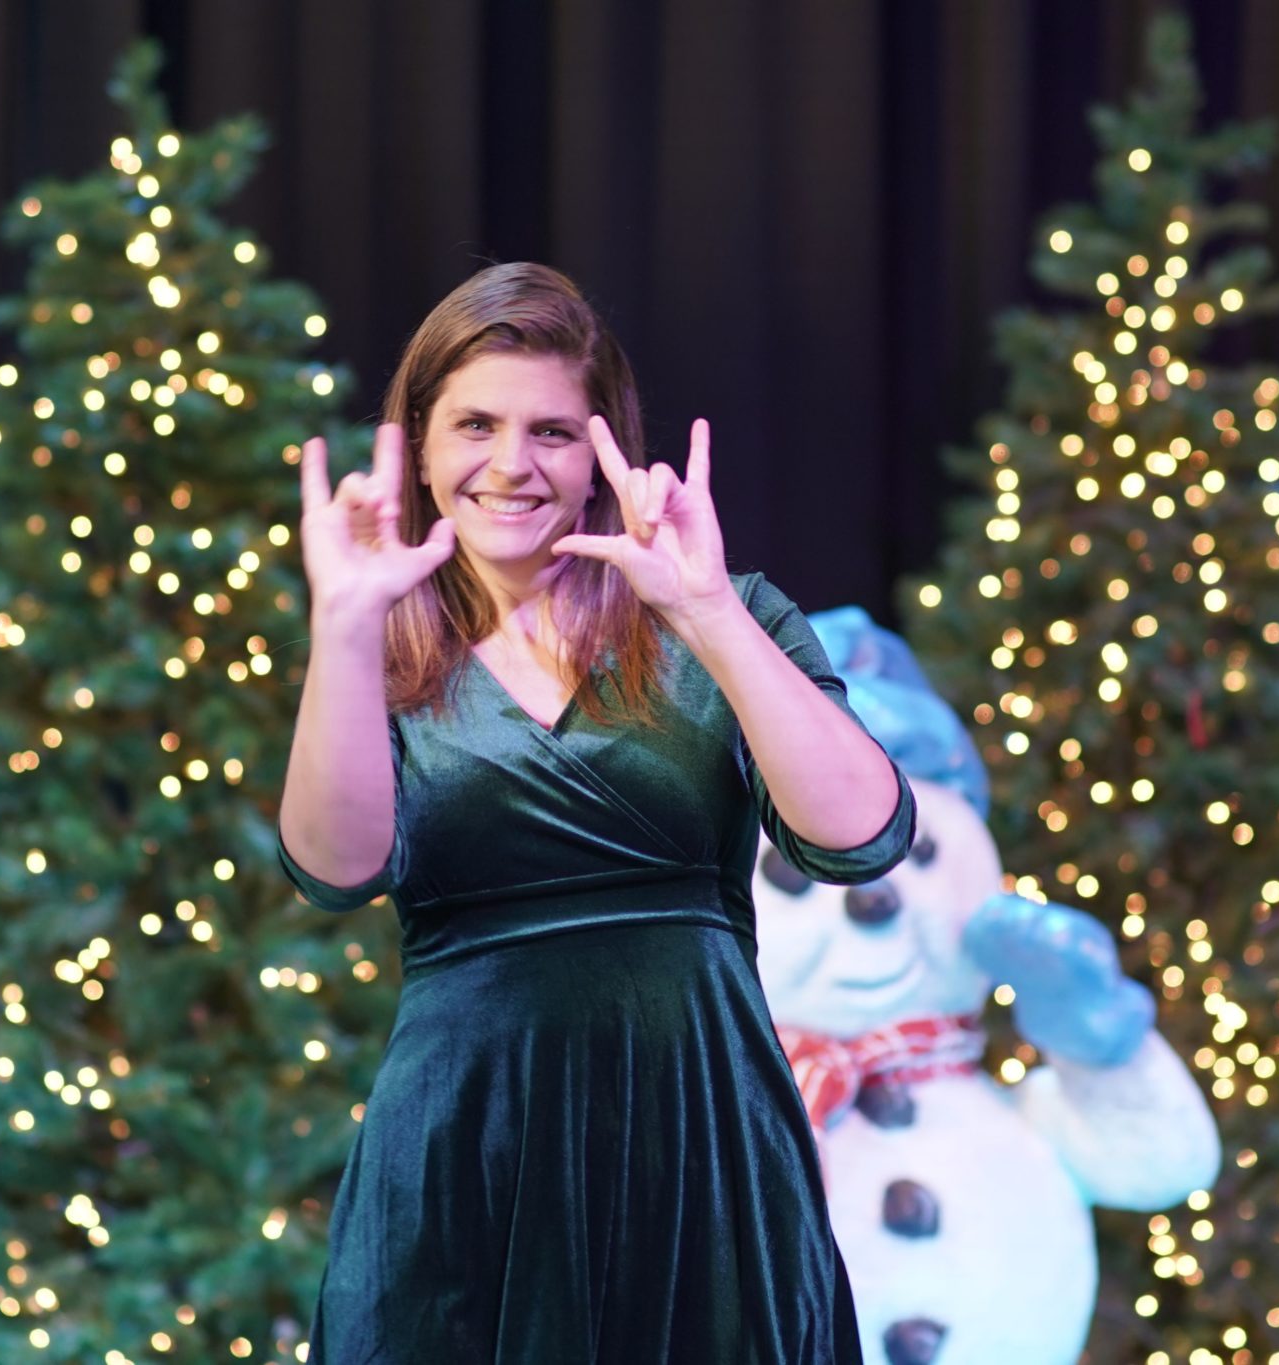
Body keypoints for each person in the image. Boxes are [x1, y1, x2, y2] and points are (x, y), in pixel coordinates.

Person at [276, 261, 916, 1364]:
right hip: (463, 1153)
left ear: (602, 453)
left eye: (551, 432)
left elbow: (860, 837)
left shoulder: (718, 612)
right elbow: (336, 868)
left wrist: (708, 611)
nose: (509, 464)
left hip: (699, 1145)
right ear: (420, 447)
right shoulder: (379, 639)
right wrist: (340, 625)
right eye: (473, 424)